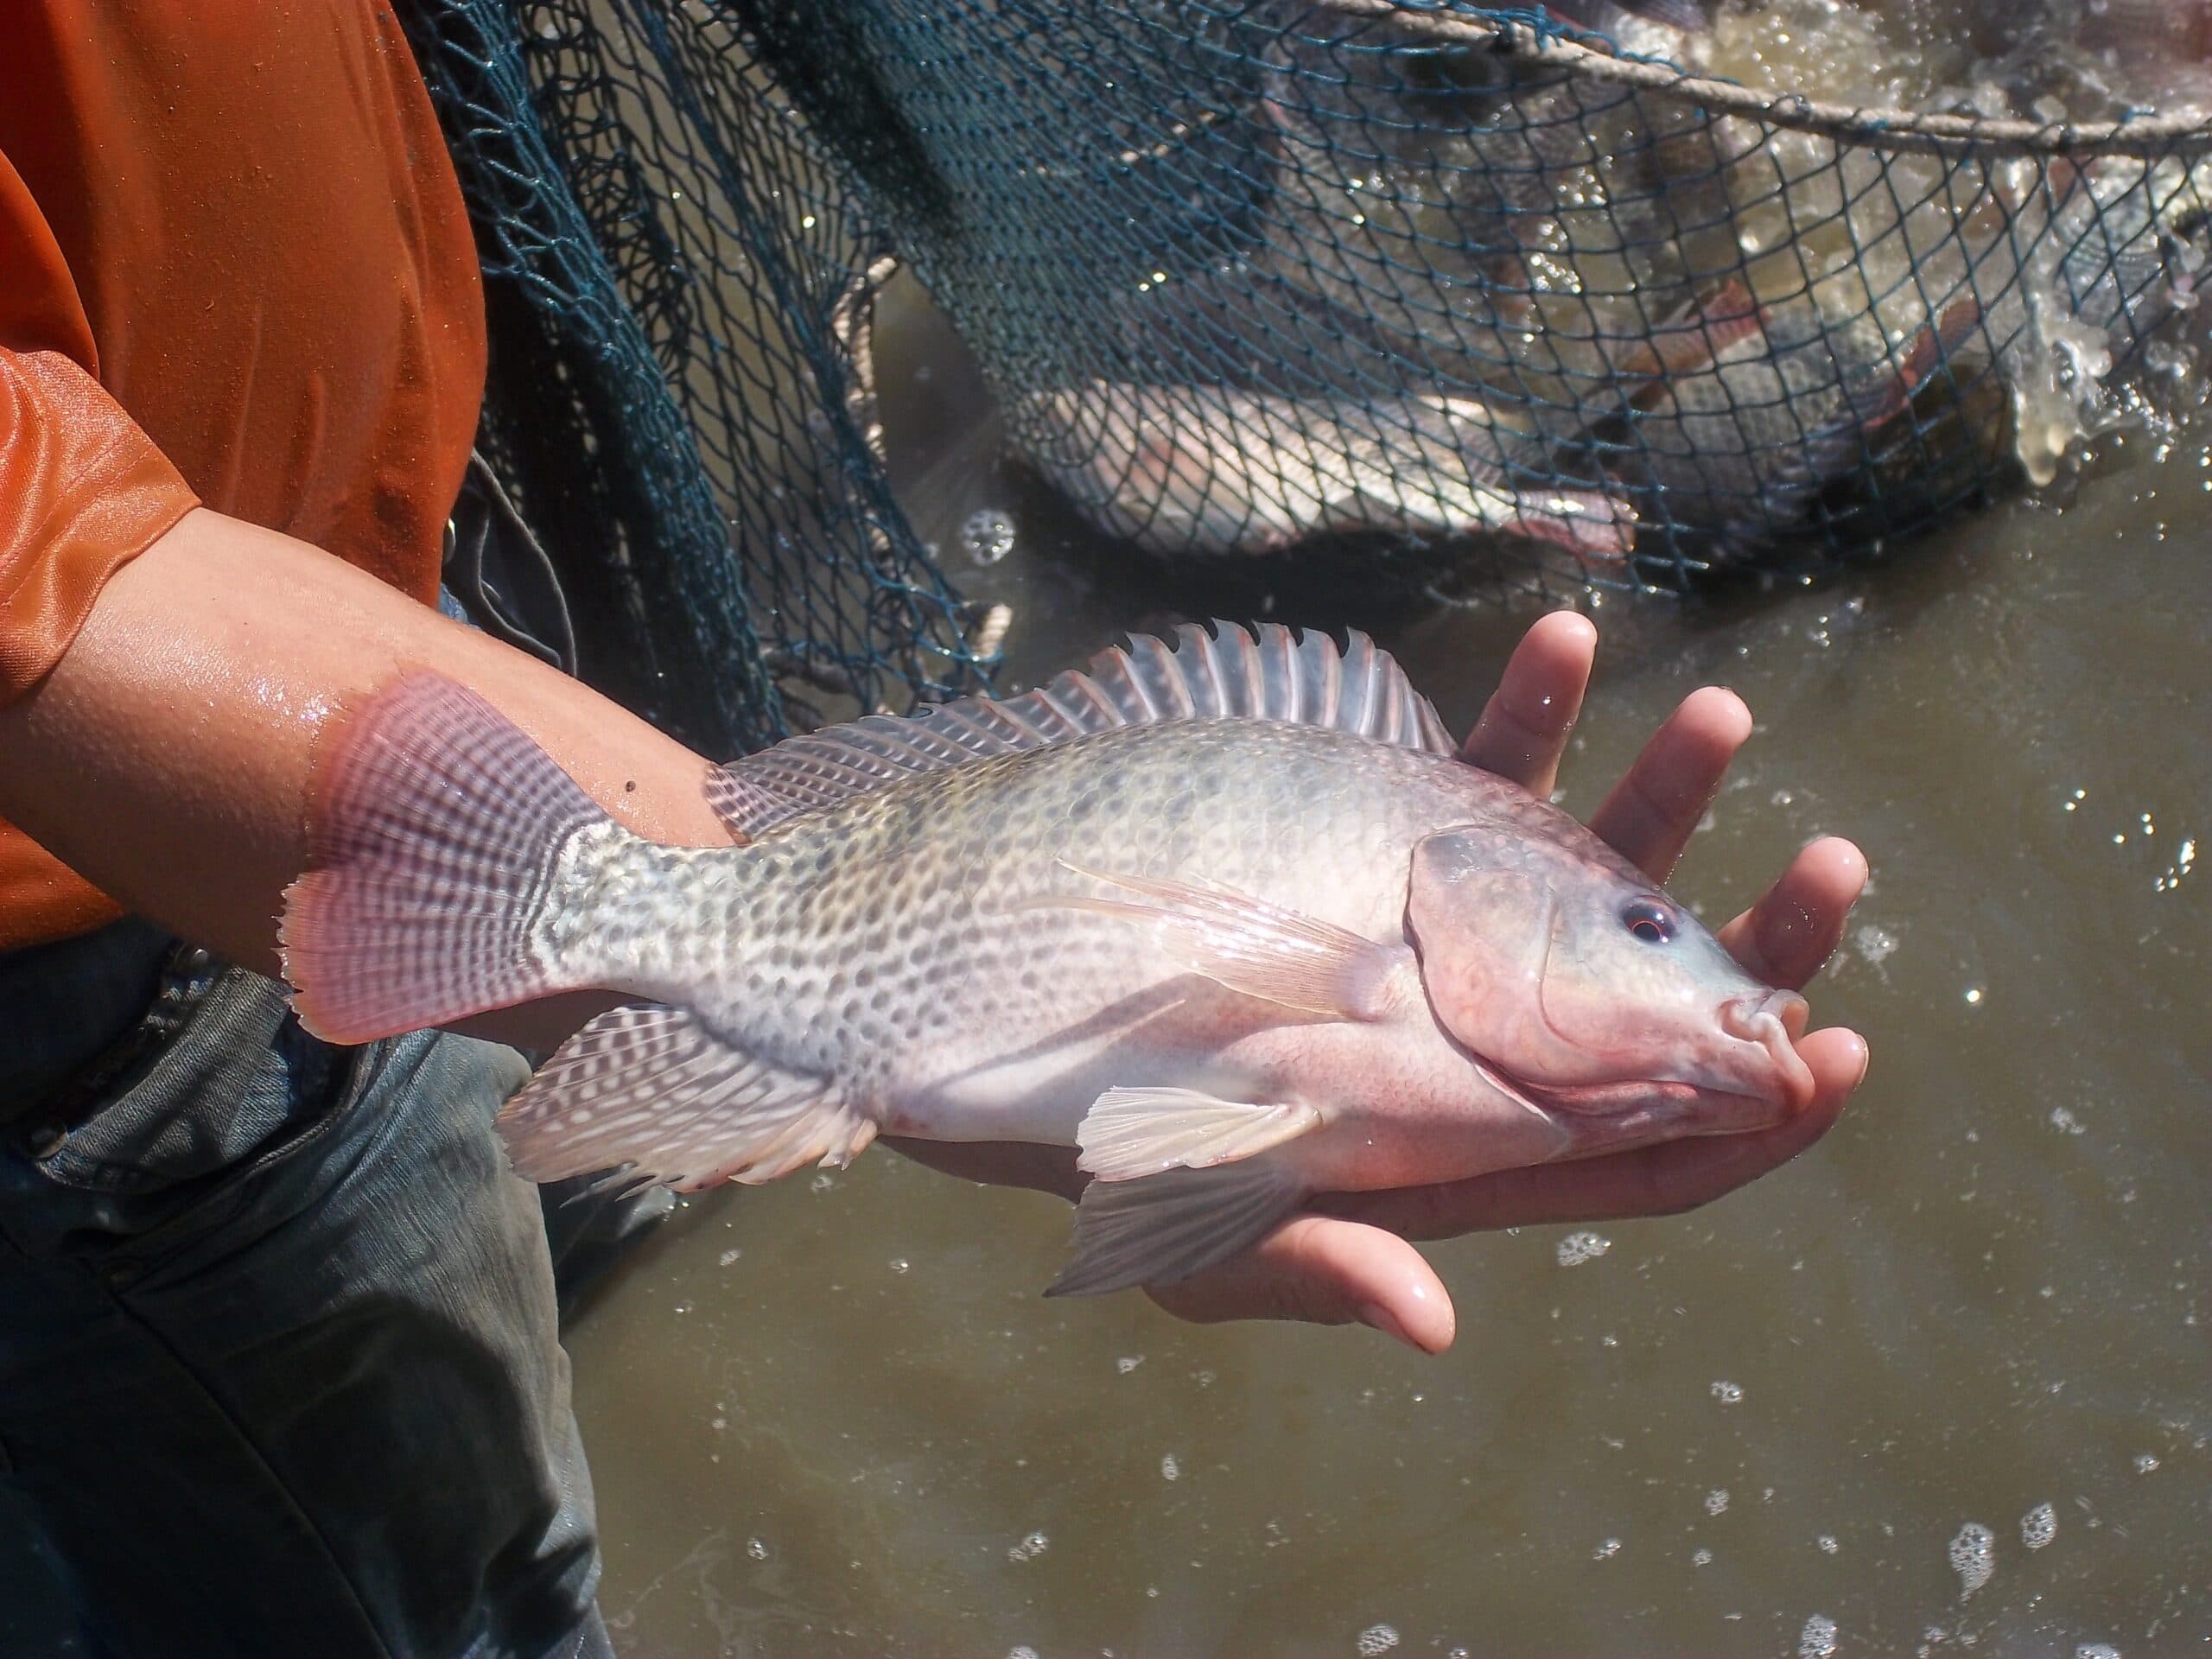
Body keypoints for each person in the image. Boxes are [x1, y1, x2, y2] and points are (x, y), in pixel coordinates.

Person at [0, 4, 1869, 1655]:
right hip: (101, 956)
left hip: (339, 592)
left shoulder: (1411, 876)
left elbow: (1162, 1112)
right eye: (1639, 925)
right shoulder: (1371, 894)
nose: (1692, 967)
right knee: (417, 1575)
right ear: (1480, 887)